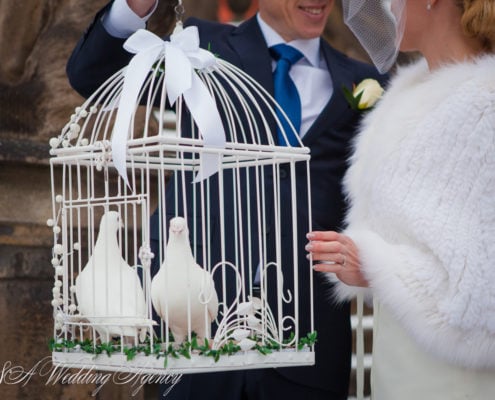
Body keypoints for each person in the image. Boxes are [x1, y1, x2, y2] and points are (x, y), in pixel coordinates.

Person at [66, 0, 386, 399]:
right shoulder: (200, 47)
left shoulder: (365, 83)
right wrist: (136, 7)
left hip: (309, 339)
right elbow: (92, 75)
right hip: (193, 325)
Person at [307, 0, 495, 398]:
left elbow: (482, 287)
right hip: (400, 354)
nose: (386, 6)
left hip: (453, 373)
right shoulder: (408, 94)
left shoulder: (485, 104)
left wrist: (374, 263)